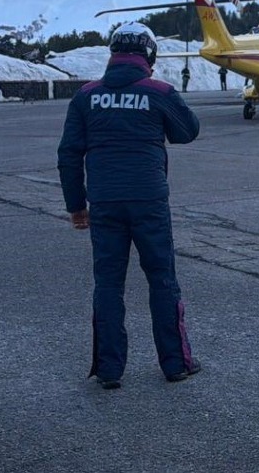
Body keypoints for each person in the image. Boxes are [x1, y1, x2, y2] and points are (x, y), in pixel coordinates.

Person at [57, 22, 202, 389]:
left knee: (108, 283)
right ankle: (175, 364)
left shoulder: (86, 96)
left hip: (104, 202)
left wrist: (77, 205)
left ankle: (109, 368)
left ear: (112, 53)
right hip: (149, 200)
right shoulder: (159, 91)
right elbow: (188, 131)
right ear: (149, 56)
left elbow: (69, 154)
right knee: (162, 279)